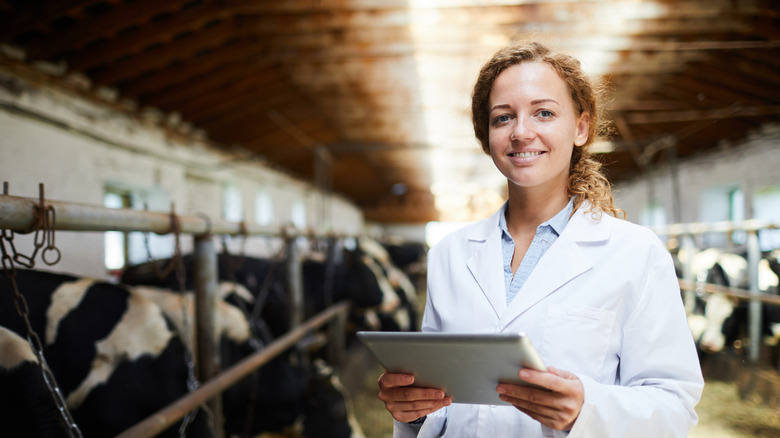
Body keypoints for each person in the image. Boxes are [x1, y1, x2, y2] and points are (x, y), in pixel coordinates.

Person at [376, 41, 704, 437]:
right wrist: (412, 410)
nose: (521, 132)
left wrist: (588, 409)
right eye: (502, 118)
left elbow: (675, 408)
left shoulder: (636, 254)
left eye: (544, 113)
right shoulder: (450, 254)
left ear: (581, 127)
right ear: (486, 136)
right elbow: (441, 399)